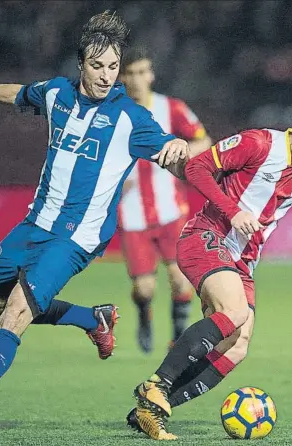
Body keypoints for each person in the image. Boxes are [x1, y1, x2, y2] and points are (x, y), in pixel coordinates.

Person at [0, 11, 190, 440]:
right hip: (35, 223)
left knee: (13, 314)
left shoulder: (131, 118)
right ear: (81, 65)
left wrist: (182, 153)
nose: (107, 76)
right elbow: (18, 93)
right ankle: (92, 318)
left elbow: (173, 158)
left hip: (76, 237)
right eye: (98, 66)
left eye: (113, 67)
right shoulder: (56, 94)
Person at [128, 101, 292, 440]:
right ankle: (156, 384)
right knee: (233, 312)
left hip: (243, 261)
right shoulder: (259, 143)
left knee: (238, 344)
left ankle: (152, 411)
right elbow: (197, 169)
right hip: (207, 236)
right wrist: (233, 212)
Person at [118, 46, 212, 353]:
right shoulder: (111, 113)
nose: (136, 79)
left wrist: (180, 152)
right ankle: (144, 314)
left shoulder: (170, 108)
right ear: (121, 77)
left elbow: (204, 140)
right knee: (144, 288)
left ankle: (178, 336)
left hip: (171, 210)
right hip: (132, 215)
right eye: (130, 73)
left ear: (152, 74)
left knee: (180, 280)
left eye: (142, 72)